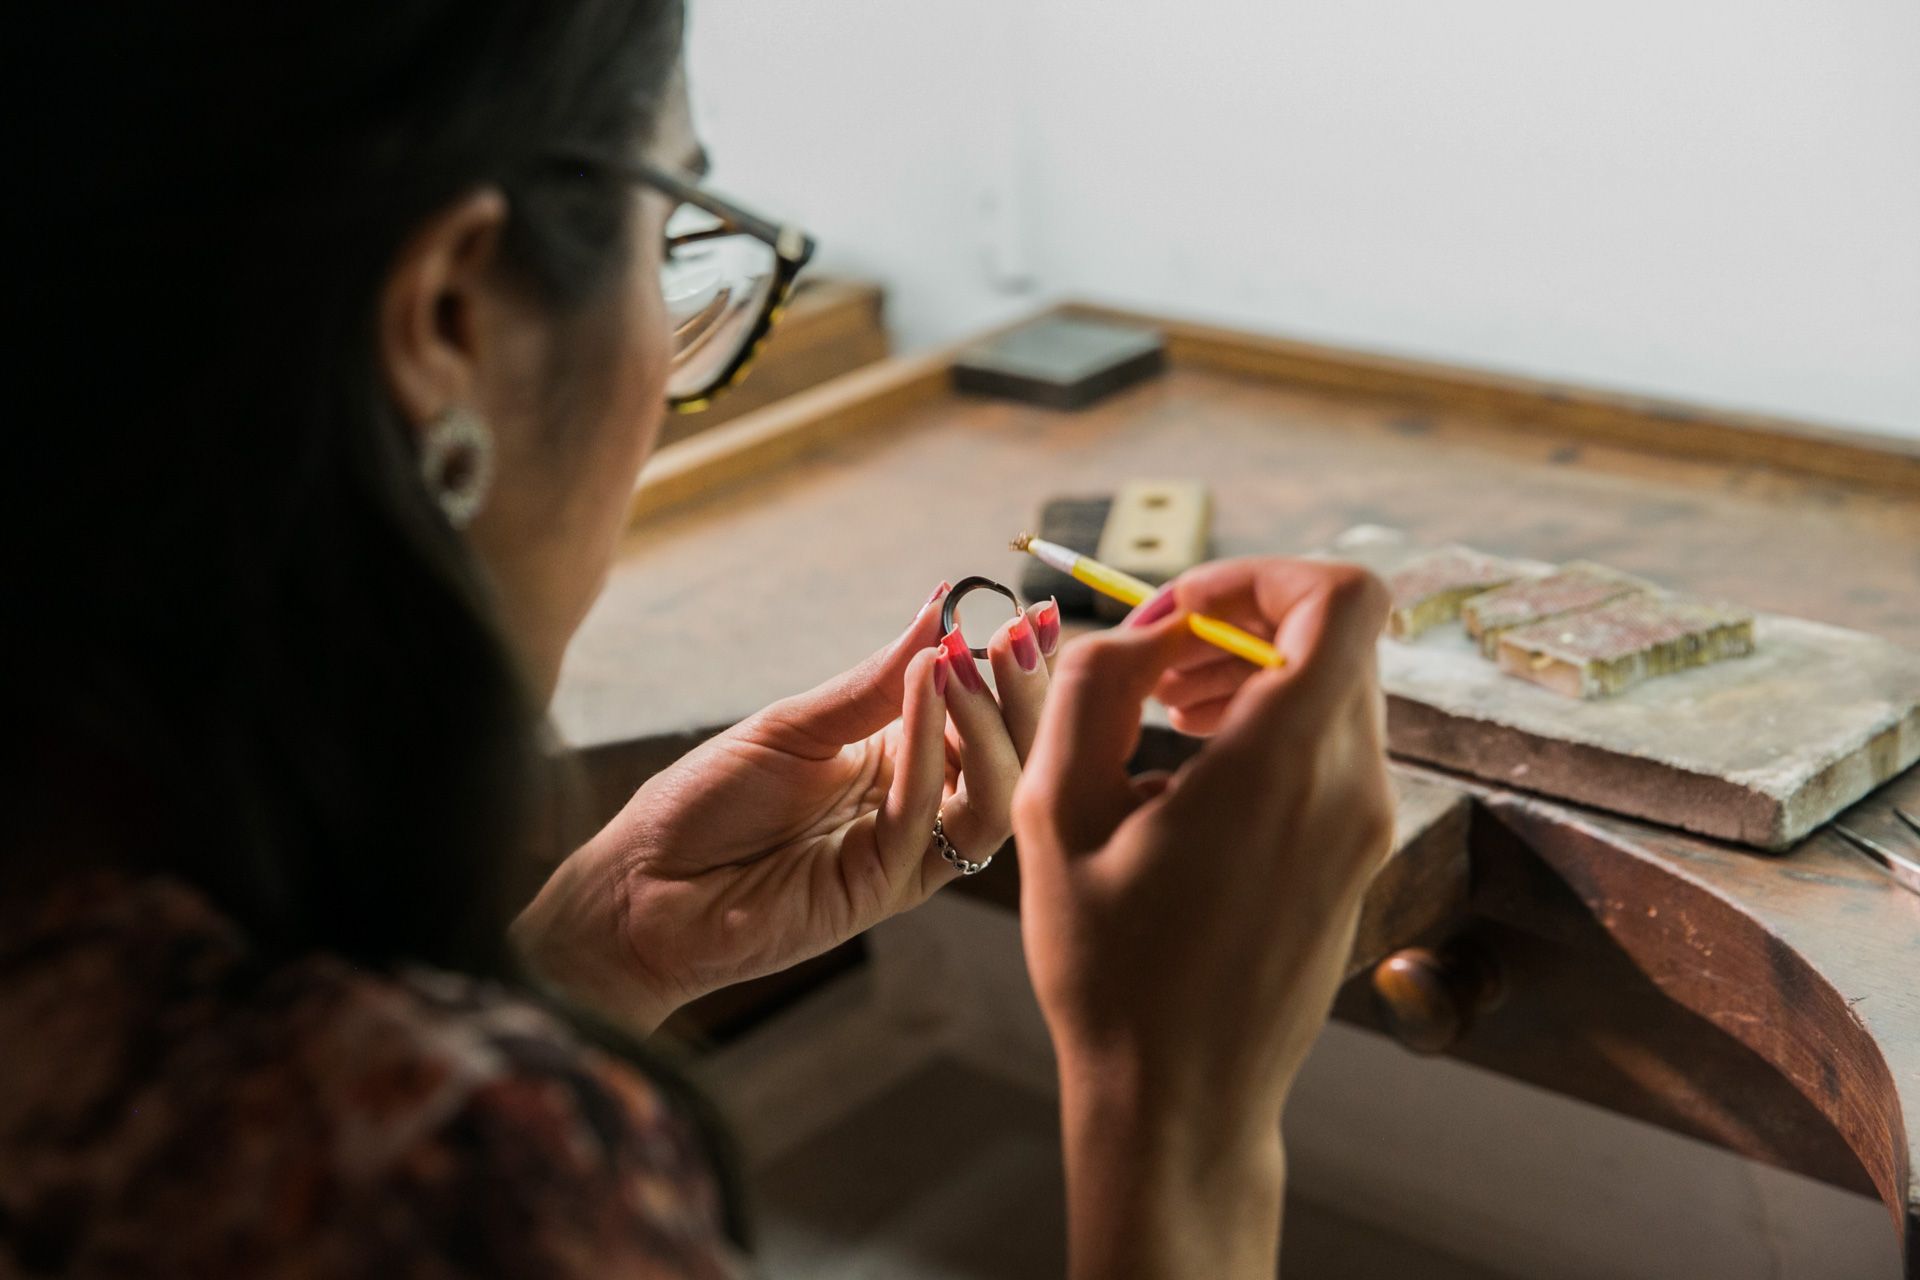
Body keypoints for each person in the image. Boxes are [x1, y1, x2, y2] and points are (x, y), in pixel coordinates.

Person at [2, 4, 1394, 1276]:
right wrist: (1180, 1111)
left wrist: (597, 957)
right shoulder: (440, 1180)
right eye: (668, 240)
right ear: (449, 318)